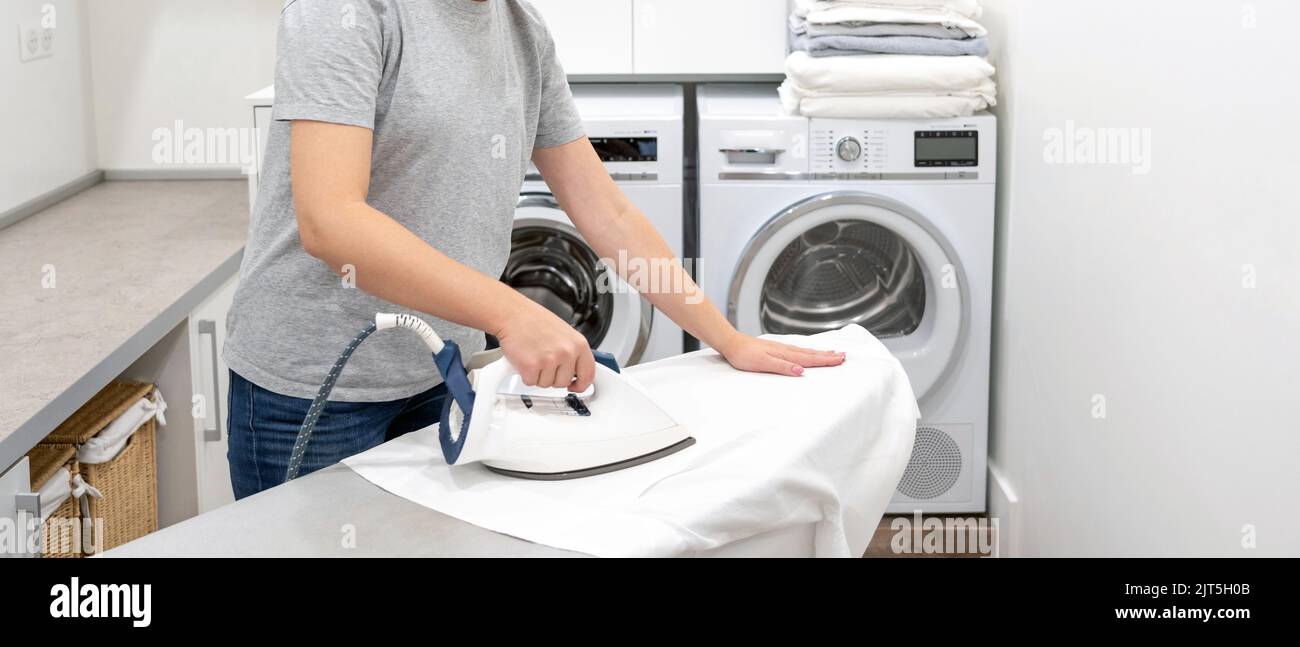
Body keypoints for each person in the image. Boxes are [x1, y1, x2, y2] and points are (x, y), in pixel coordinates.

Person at [222, 0, 845, 499]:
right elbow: (332, 221)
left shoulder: (520, 30)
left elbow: (609, 212)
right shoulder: (347, 13)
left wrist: (726, 338)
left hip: (440, 371)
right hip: (312, 387)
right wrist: (513, 314)